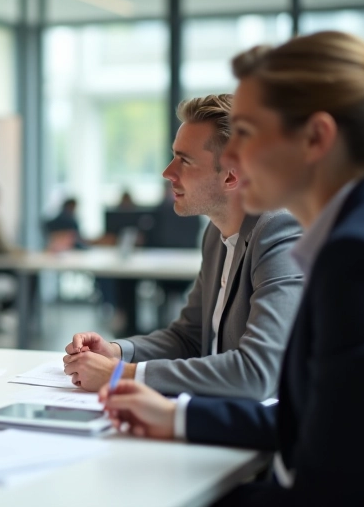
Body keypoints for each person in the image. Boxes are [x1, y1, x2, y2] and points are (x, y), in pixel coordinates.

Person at [100, 32, 364, 504]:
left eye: (249, 133)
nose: (233, 160)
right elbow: (321, 423)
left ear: (316, 138)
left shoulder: (363, 257)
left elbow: (325, 480)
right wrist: (177, 417)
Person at [64, 94, 303, 399]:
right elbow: (190, 336)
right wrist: (116, 352)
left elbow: (257, 373)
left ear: (231, 175)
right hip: (215, 413)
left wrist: (122, 375)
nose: (168, 172)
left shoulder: (279, 233)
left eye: (184, 160)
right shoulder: (216, 234)